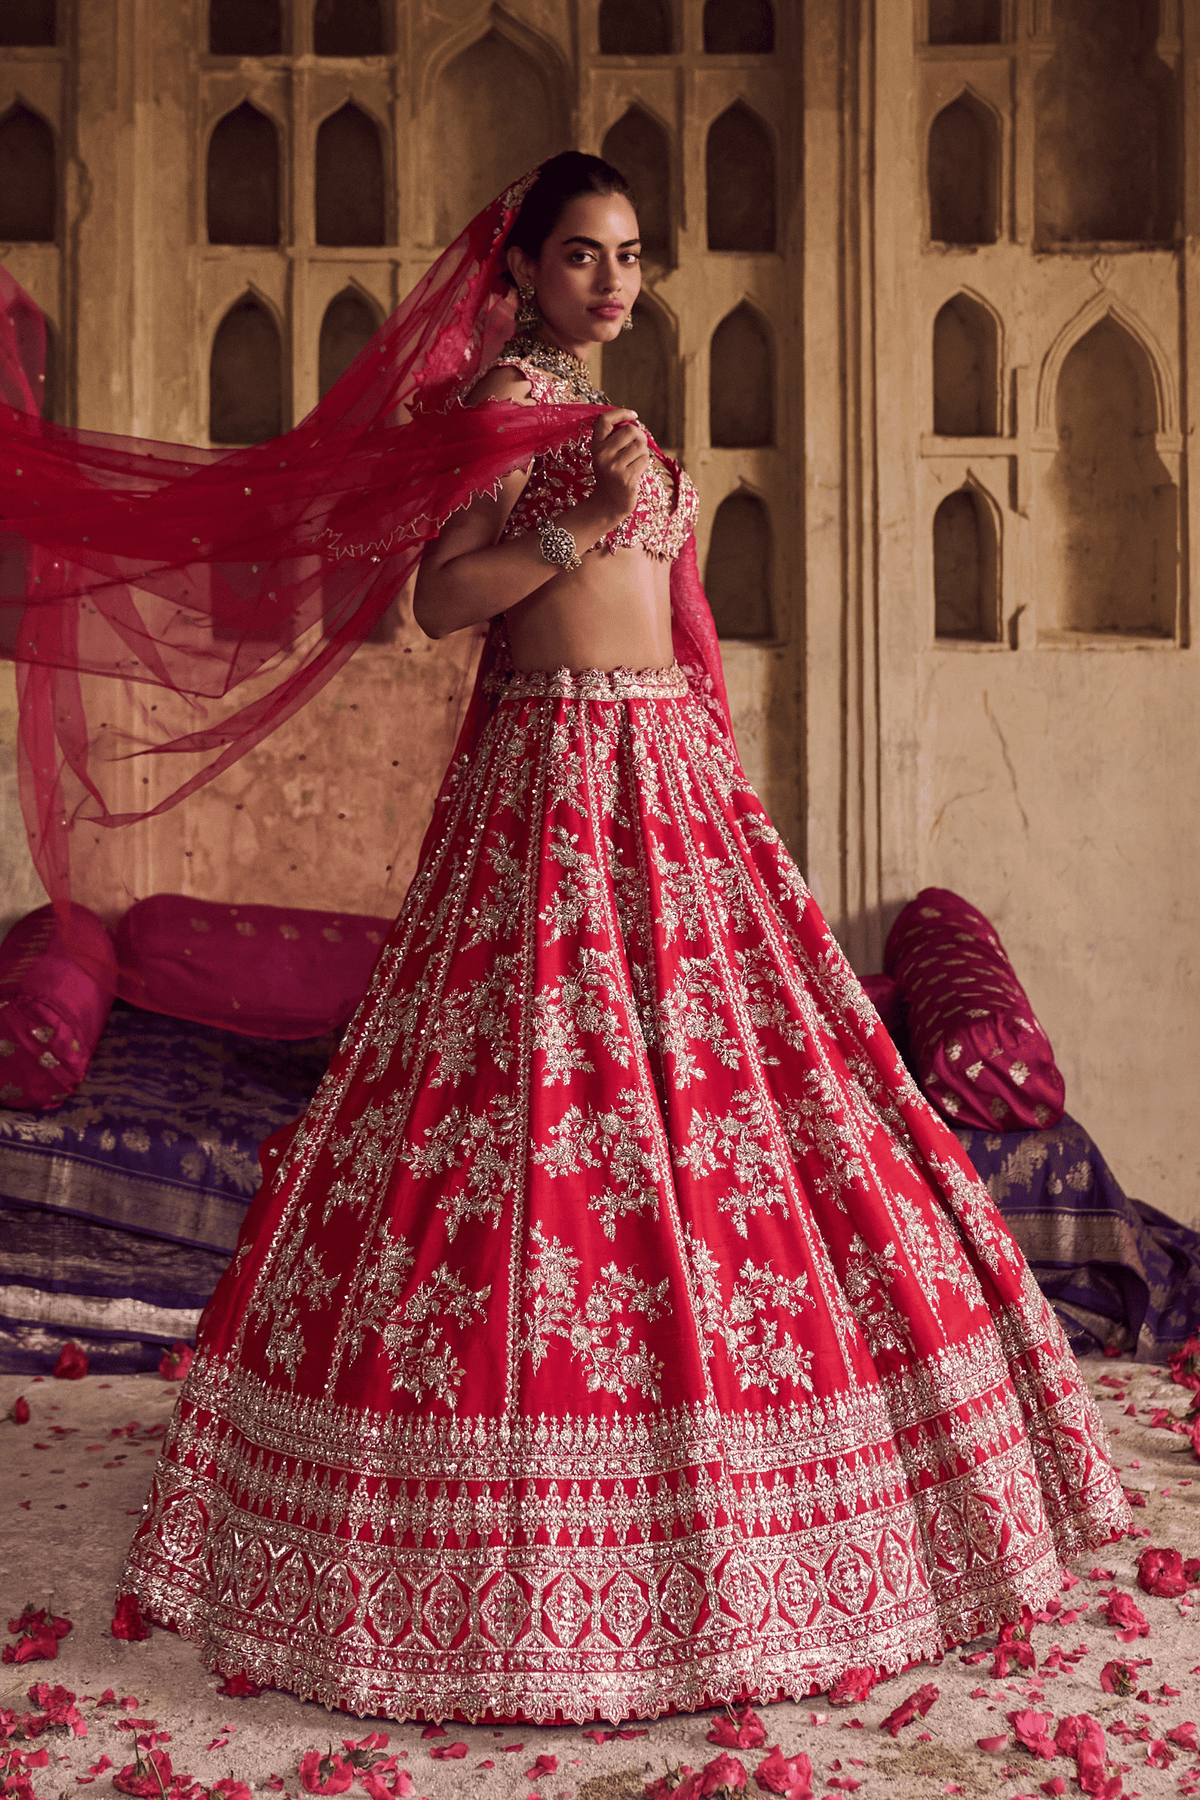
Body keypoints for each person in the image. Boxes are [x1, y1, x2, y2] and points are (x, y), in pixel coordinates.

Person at [114, 155, 1127, 1726]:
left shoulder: (613, 412)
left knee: (750, 1115)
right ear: (514, 271)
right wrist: (583, 525)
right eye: (580, 256)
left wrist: (688, 698)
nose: (613, 282)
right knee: (543, 1124)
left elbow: (672, 604)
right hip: (554, 780)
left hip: (666, 771)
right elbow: (439, 606)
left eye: (630, 256)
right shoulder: (498, 422)